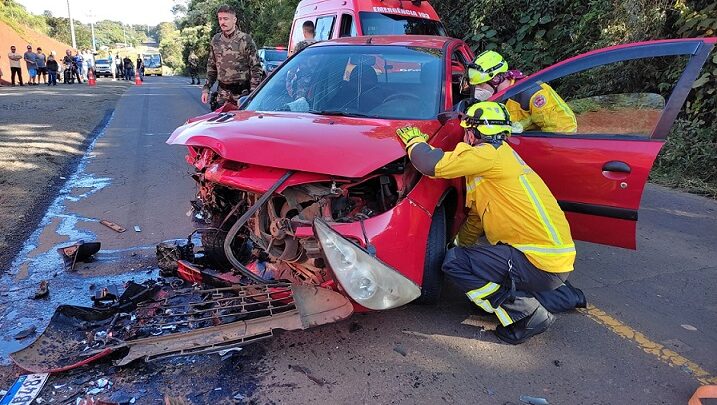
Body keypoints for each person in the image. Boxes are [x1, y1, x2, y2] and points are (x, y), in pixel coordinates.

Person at [396, 101, 585, 344]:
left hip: (538, 262)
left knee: (455, 264)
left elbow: (431, 164)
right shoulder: (499, 159)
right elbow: (476, 219)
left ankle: (526, 314)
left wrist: (414, 143)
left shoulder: (487, 155)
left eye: (467, 130)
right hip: (554, 262)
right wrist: (457, 244)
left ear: (473, 133)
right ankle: (563, 296)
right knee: (463, 256)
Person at [466, 50, 577, 133]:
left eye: (480, 84)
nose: (477, 89)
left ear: (496, 79)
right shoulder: (493, 97)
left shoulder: (533, 93)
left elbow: (565, 128)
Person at [202, 4, 262, 107]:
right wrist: (206, 88)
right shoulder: (216, 40)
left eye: (226, 19)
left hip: (242, 94)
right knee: (220, 122)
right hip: (222, 94)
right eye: (220, 19)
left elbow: (256, 68)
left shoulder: (245, 39)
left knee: (240, 122)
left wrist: (253, 93)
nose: (222, 22)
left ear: (234, 20)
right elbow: (211, 66)